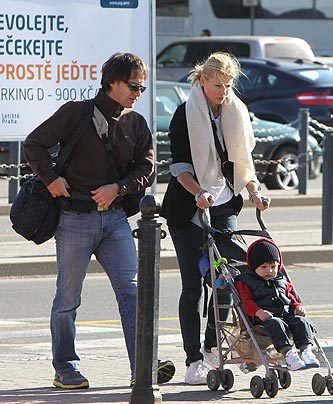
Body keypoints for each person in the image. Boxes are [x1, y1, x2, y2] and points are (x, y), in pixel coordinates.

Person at [23, 52, 175, 389]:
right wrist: (50, 180)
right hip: (74, 218)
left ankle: (143, 368)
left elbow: (146, 169)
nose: (139, 92)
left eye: (143, 87)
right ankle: (65, 368)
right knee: (68, 298)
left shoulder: (136, 123)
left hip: (117, 220)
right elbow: (33, 144)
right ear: (112, 83)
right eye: (134, 86)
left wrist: (117, 189)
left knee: (134, 293)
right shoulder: (76, 112)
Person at [159, 52, 270, 385]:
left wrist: (254, 192)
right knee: (193, 286)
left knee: (224, 283)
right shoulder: (185, 114)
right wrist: (198, 193)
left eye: (228, 85)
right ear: (202, 80)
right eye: (217, 85)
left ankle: (211, 348)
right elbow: (178, 166)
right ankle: (193, 358)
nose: (223, 91)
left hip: (224, 206)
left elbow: (241, 162)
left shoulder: (235, 112)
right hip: (188, 208)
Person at [235, 238, 319, 371]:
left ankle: (306, 351)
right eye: (264, 267)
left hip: (286, 316)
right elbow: (246, 302)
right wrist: (258, 312)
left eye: (273, 267)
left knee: (301, 321)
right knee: (276, 323)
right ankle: (289, 354)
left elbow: (291, 298)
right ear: (254, 267)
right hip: (263, 321)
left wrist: (297, 306)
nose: (269, 271)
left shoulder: (281, 281)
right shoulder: (246, 282)